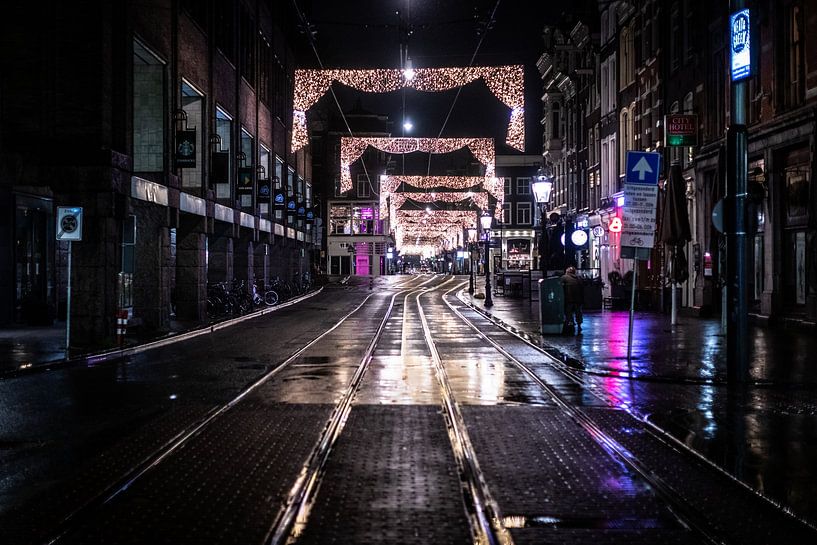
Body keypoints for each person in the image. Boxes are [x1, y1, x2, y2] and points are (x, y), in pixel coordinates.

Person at [560, 266, 584, 334]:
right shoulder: (579, 278)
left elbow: (559, 285)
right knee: (578, 313)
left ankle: (571, 323)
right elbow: (582, 288)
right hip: (578, 299)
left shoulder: (564, 277)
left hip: (569, 299)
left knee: (568, 312)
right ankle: (579, 325)